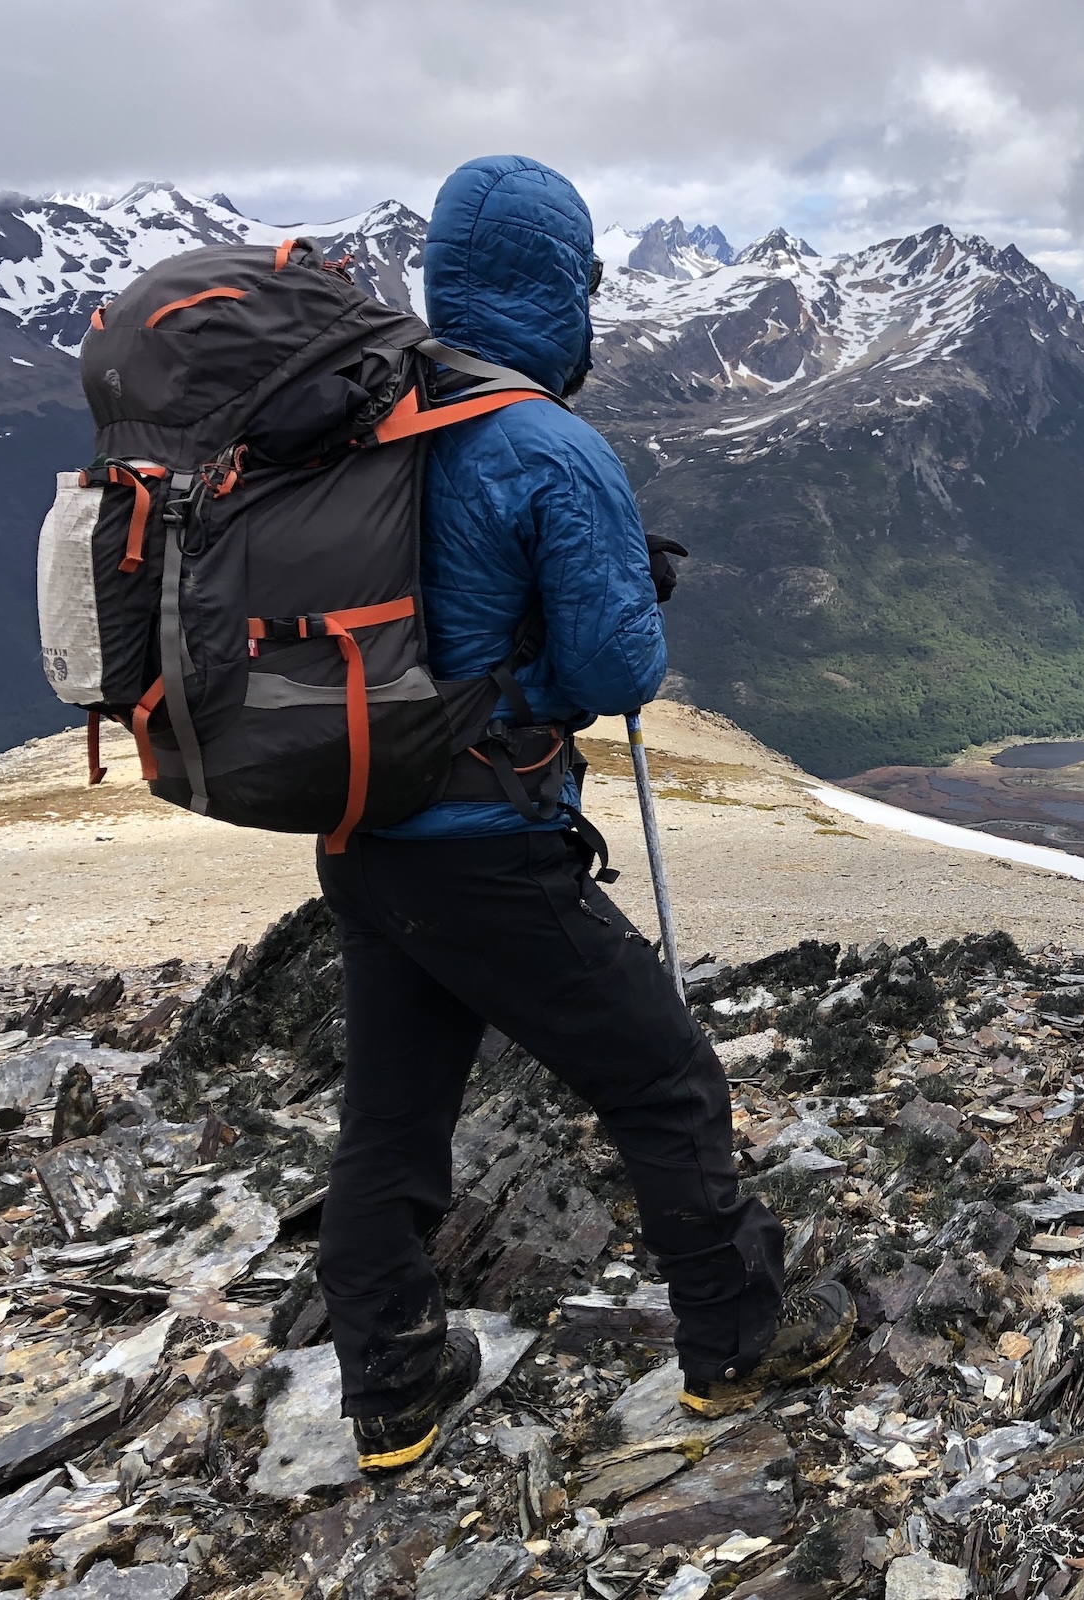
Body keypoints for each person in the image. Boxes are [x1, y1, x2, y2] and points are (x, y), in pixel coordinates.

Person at [315, 154, 850, 1474]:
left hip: (359, 833)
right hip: (490, 848)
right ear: (560, 286)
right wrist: (591, 620)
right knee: (663, 1078)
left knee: (391, 1121)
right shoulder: (548, 444)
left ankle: (392, 1391)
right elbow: (616, 675)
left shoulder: (356, 422)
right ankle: (738, 1337)